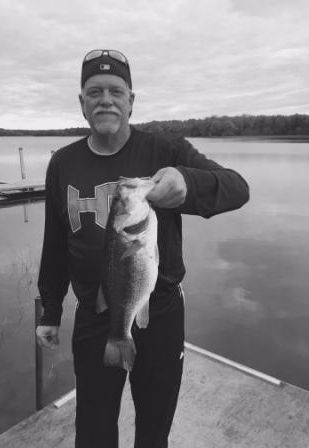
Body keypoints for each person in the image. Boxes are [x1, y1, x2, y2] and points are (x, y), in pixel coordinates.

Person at [36, 49, 249, 448]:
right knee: (94, 430)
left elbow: (237, 188)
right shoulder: (62, 163)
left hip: (161, 312)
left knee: (153, 429)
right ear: (81, 103)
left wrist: (188, 183)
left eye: (116, 90)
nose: (105, 99)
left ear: (131, 100)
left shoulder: (164, 151)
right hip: (95, 315)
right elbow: (55, 244)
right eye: (94, 91)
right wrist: (50, 309)